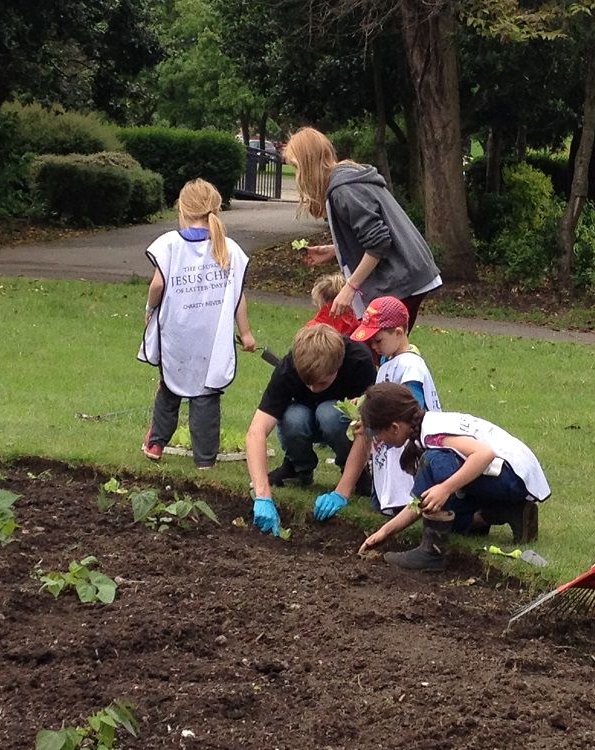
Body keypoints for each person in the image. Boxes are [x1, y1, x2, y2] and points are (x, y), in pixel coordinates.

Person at [356, 382, 550, 571]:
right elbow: (418, 503)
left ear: (395, 427)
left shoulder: (433, 435)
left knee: (432, 461)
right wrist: (385, 531)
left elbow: (484, 455)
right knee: (451, 521)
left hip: (513, 476)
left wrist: (445, 488)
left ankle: (432, 552)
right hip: (511, 478)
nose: (377, 439)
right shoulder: (427, 427)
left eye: (375, 432)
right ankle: (507, 511)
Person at [138, 178, 256, 469]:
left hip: (178, 332)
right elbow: (237, 296)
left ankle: (155, 444)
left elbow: (157, 285)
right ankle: (205, 460)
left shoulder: (169, 245)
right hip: (212, 338)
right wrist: (246, 332)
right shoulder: (228, 248)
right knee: (207, 394)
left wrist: (150, 308)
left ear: (182, 209)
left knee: (169, 387)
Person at [284, 126, 441, 329]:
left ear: (308, 164)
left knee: (369, 352)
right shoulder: (347, 179)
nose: (297, 176)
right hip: (410, 276)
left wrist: (349, 288)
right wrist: (334, 250)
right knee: (374, 352)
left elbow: (379, 243)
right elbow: (373, 234)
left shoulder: (343, 190)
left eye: (297, 167)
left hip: (402, 281)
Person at [311, 297, 442, 523]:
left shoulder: (410, 366)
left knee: (406, 505)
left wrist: (376, 420)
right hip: (388, 459)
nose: (373, 346)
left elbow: (412, 409)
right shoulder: (387, 362)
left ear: (399, 332)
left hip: (409, 457)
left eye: (378, 340)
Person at [246, 324, 375, 536]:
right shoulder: (289, 367)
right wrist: (262, 495)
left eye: (321, 382)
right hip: (303, 418)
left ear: (337, 366)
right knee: (292, 417)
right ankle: (299, 469)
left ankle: (356, 474)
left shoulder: (359, 361)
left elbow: (366, 430)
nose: (313, 389)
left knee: (329, 413)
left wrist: (342, 492)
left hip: (340, 423)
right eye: (307, 383)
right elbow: (256, 432)